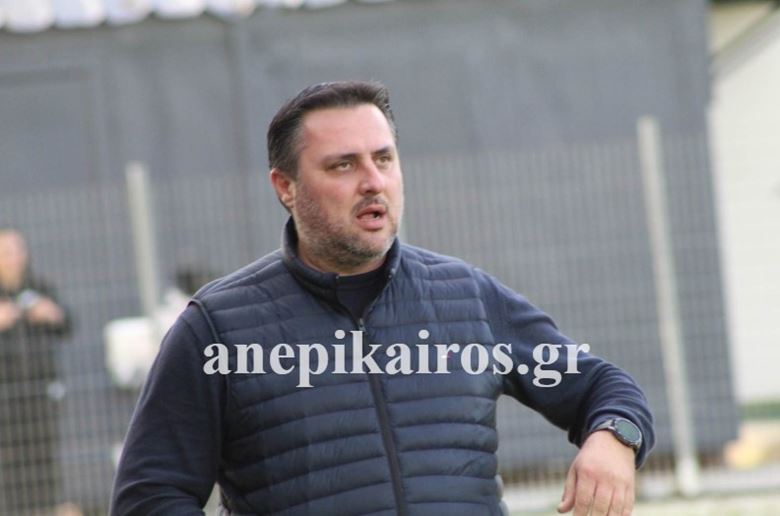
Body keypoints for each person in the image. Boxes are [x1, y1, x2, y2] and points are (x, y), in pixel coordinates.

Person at [111, 81, 655, 516]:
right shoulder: (218, 327)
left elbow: (605, 388)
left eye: (384, 159)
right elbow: (149, 497)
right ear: (285, 187)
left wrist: (615, 439)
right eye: (343, 164)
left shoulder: (466, 297)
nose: (373, 181)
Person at [0, 227, 71, 514]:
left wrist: (52, 314)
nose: (14, 258)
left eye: (18, 251)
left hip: (39, 393)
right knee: (10, 463)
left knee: (43, 459)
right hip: (5, 398)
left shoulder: (38, 287)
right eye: (6, 253)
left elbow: (67, 324)